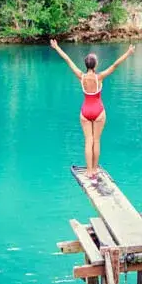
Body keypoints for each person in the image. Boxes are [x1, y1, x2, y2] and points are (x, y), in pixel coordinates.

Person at [50, 40, 135, 182]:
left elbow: (68, 60)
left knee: (88, 141)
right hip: (98, 111)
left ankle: (88, 171)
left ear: (86, 65)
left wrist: (57, 47)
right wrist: (128, 53)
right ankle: (95, 170)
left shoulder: (81, 76)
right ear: (95, 64)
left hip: (85, 112)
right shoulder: (99, 77)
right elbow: (115, 65)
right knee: (96, 140)